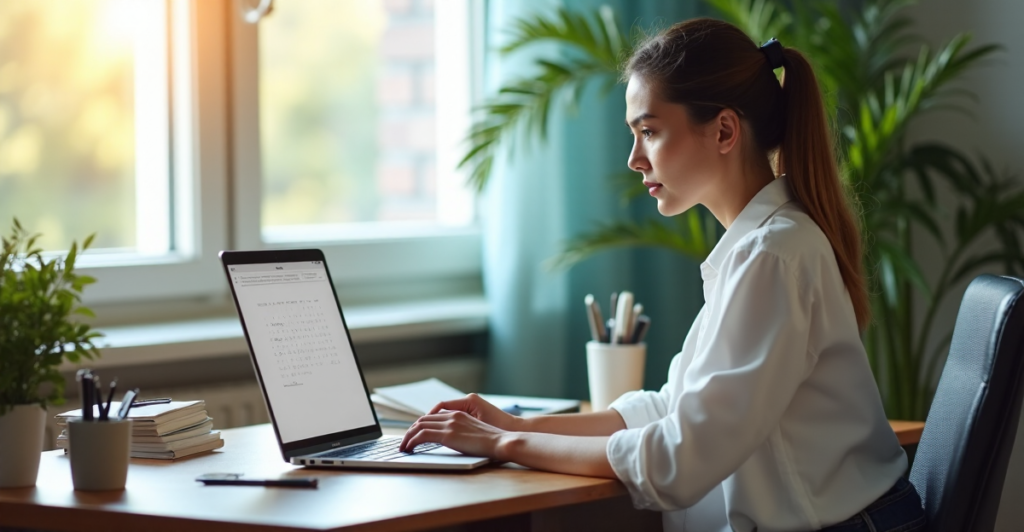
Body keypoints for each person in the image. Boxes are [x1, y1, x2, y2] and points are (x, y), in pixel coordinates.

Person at [400, 18, 926, 532]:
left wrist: (501, 445)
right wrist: (516, 424)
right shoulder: (758, 246)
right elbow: (670, 408)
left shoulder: (774, 254)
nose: (633, 158)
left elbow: (680, 459)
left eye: (648, 131)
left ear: (723, 130)